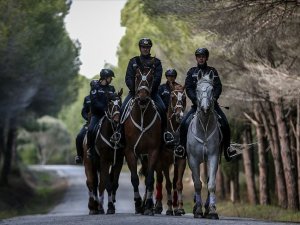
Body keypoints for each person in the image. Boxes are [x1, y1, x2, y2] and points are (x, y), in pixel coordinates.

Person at [179, 48, 232, 161]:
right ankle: (182, 148)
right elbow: (188, 88)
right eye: (199, 56)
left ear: (206, 58)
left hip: (212, 105)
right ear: (196, 58)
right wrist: (194, 99)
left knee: (225, 124)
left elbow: (218, 87)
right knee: (184, 123)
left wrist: (214, 98)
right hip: (196, 105)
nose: (201, 58)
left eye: (203, 56)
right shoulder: (191, 72)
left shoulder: (212, 71)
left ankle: (228, 149)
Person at [120, 38, 166, 137]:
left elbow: (157, 79)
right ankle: (119, 134)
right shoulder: (133, 61)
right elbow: (128, 78)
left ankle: (166, 134)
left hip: (152, 93)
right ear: (140, 48)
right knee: (122, 108)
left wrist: (148, 91)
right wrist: (137, 91)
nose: (145, 49)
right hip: (134, 93)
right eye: (143, 47)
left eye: (147, 47)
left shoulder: (156, 62)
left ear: (150, 48)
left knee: (163, 108)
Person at [86, 68, 116, 157]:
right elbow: (94, 102)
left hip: (109, 115)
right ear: (105, 77)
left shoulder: (111, 88)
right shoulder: (95, 87)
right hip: (97, 115)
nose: (111, 79)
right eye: (110, 77)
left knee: (119, 127)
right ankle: (90, 149)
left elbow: (113, 100)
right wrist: (104, 108)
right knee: (91, 130)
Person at [158, 68, 181, 144]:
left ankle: (181, 142)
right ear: (166, 77)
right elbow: (158, 100)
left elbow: (182, 100)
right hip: (164, 112)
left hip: (177, 112)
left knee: (184, 123)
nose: (171, 78)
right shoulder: (161, 88)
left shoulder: (179, 87)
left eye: (172, 76)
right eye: (169, 76)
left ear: (175, 77)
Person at [74, 94, 91, 164]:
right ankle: (79, 156)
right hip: (90, 121)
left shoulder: (105, 95)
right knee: (79, 136)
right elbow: (83, 112)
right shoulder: (87, 98)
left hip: (103, 119)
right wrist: (87, 117)